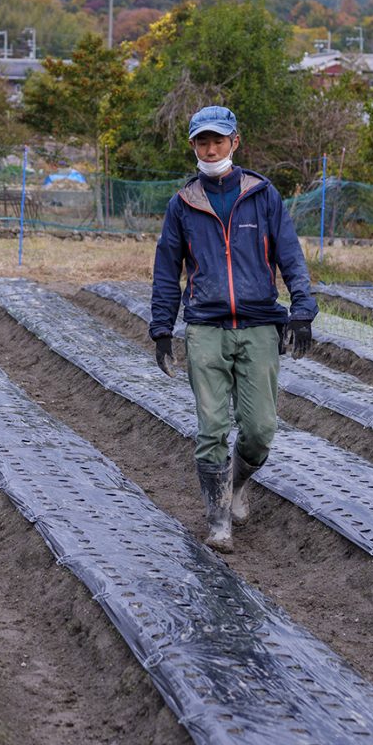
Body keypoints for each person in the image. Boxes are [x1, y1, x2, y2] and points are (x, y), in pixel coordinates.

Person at [149, 105, 316, 553]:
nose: (210, 148)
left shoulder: (262, 195)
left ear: (234, 142)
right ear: (193, 147)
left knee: (261, 428)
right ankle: (218, 519)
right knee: (211, 428)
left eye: (217, 140)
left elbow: (289, 254)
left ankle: (236, 482)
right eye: (202, 142)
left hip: (260, 323)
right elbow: (167, 271)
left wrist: (303, 307)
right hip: (205, 325)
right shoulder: (183, 204)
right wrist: (162, 328)